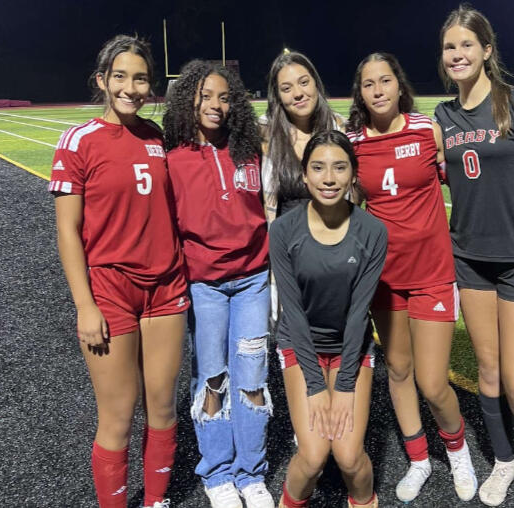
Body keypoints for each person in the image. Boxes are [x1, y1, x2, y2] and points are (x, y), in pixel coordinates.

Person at [50, 35, 186, 508]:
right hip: (111, 290)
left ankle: (155, 501)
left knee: (163, 407)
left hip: (166, 288)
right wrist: (84, 305)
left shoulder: (158, 137)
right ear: (102, 80)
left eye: (141, 78)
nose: (132, 88)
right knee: (118, 416)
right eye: (122, 77)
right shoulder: (79, 141)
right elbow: (67, 230)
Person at [434, 5, 514, 508]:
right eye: (449, 47)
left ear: (486, 49)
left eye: (467, 44)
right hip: (469, 259)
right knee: (488, 374)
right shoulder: (441, 117)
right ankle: (505, 461)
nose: (457, 54)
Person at [346, 52, 477, 503]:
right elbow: (348, 206)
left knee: (433, 382)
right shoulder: (353, 143)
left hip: (432, 273)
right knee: (399, 370)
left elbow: (465, 184)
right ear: (360, 93)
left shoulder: (426, 130)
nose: (378, 90)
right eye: (369, 83)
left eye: (385, 80)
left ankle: (457, 451)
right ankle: (419, 459)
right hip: (385, 279)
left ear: (399, 85)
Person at [162, 60, 274, 508]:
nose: (215, 105)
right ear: (188, 99)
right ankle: (217, 472)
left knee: (252, 378)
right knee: (212, 379)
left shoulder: (249, 148)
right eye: (205, 95)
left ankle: (252, 472)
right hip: (204, 286)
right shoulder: (173, 158)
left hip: (253, 281)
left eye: (224, 98)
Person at [269, 131, 387, 508]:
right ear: (304, 175)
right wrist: (317, 386)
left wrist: (345, 385)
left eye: (340, 167)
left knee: (349, 458)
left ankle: (365, 501)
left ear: (353, 174)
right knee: (313, 457)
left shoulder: (373, 231)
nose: (329, 178)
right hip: (300, 344)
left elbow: (358, 313)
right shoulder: (283, 230)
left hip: (350, 348)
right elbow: (293, 312)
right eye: (318, 168)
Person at [261, 51, 345, 323]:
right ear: (277, 96)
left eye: (304, 82)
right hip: (288, 260)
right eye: (286, 88)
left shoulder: (339, 127)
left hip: (335, 254)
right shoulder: (265, 134)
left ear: (316, 83)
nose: (298, 93)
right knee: (293, 339)